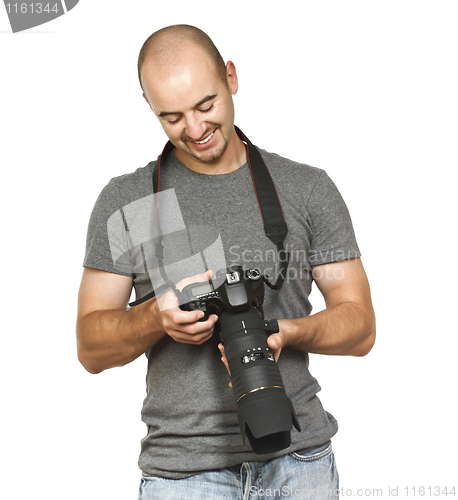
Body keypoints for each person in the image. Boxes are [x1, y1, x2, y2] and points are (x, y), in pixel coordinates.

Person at [77, 24, 376, 499]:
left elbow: (361, 328)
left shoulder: (306, 188)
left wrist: (289, 331)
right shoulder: (127, 201)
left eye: (205, 106)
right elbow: (91, 348)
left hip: (299, 457)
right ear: (148, 107)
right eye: (171, 117)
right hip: (183, 470)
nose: (194, 130)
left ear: (231, 78)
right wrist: (155, 317)